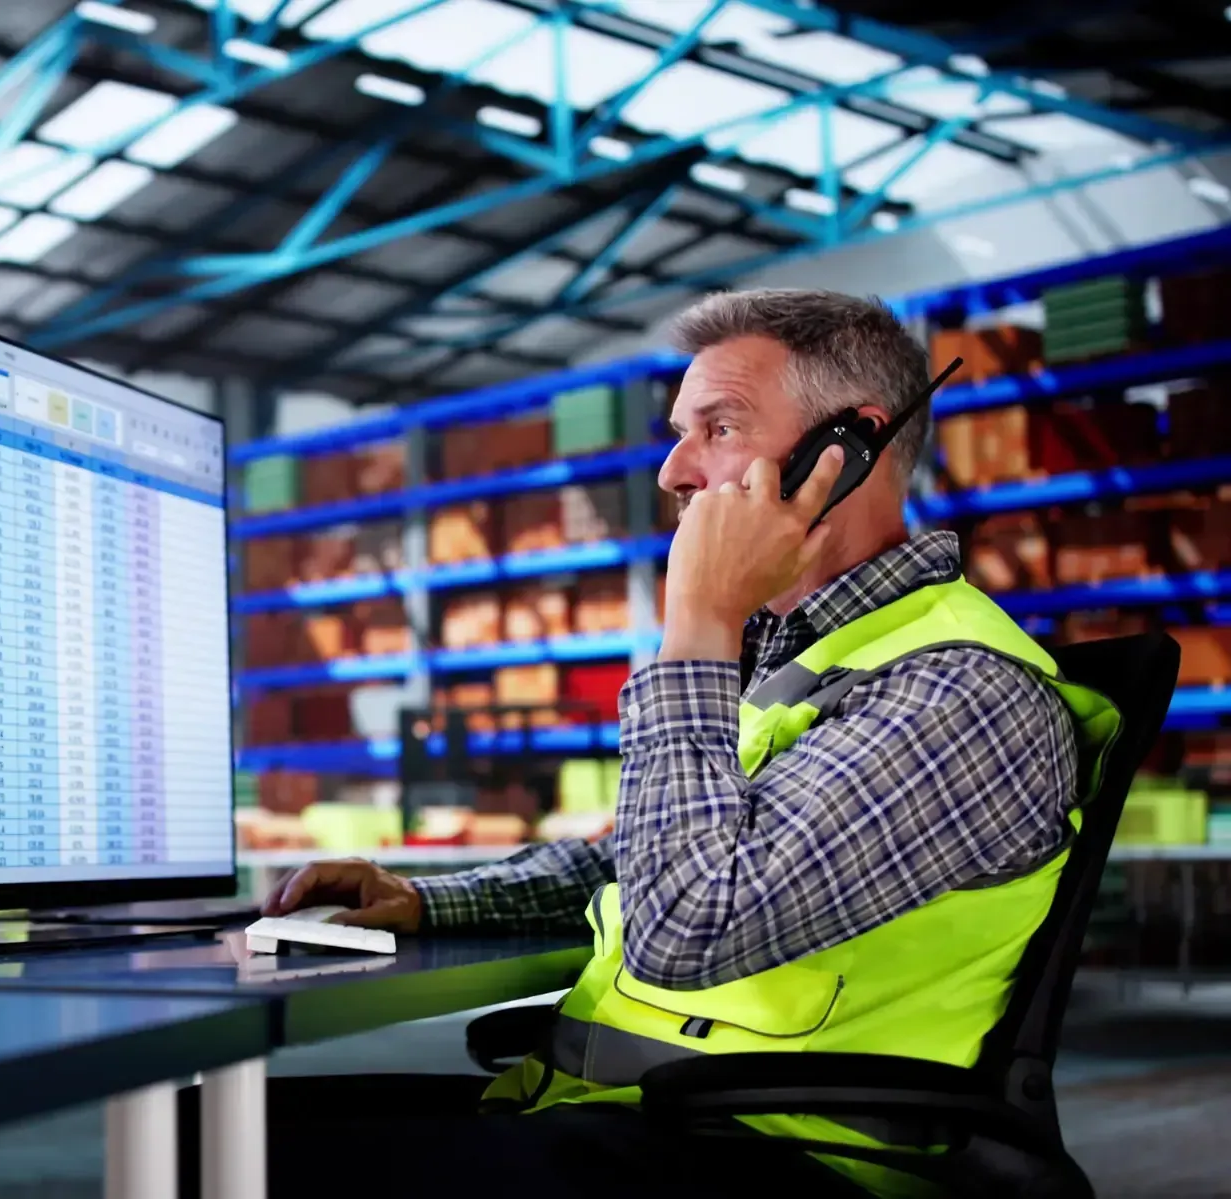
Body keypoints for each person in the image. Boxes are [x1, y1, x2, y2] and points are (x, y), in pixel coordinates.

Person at [219, 289, 1120, 1199]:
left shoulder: (958, 691)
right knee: (212, 1134)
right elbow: (639, 863)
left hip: (783, 1159)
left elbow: (686, 923)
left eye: (718, 428)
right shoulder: (803, 661)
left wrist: (697, 625)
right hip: (626, 1115)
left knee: (222, 1163)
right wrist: (430, 898)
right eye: (678, 431)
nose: (674, 471)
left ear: (844, 451)